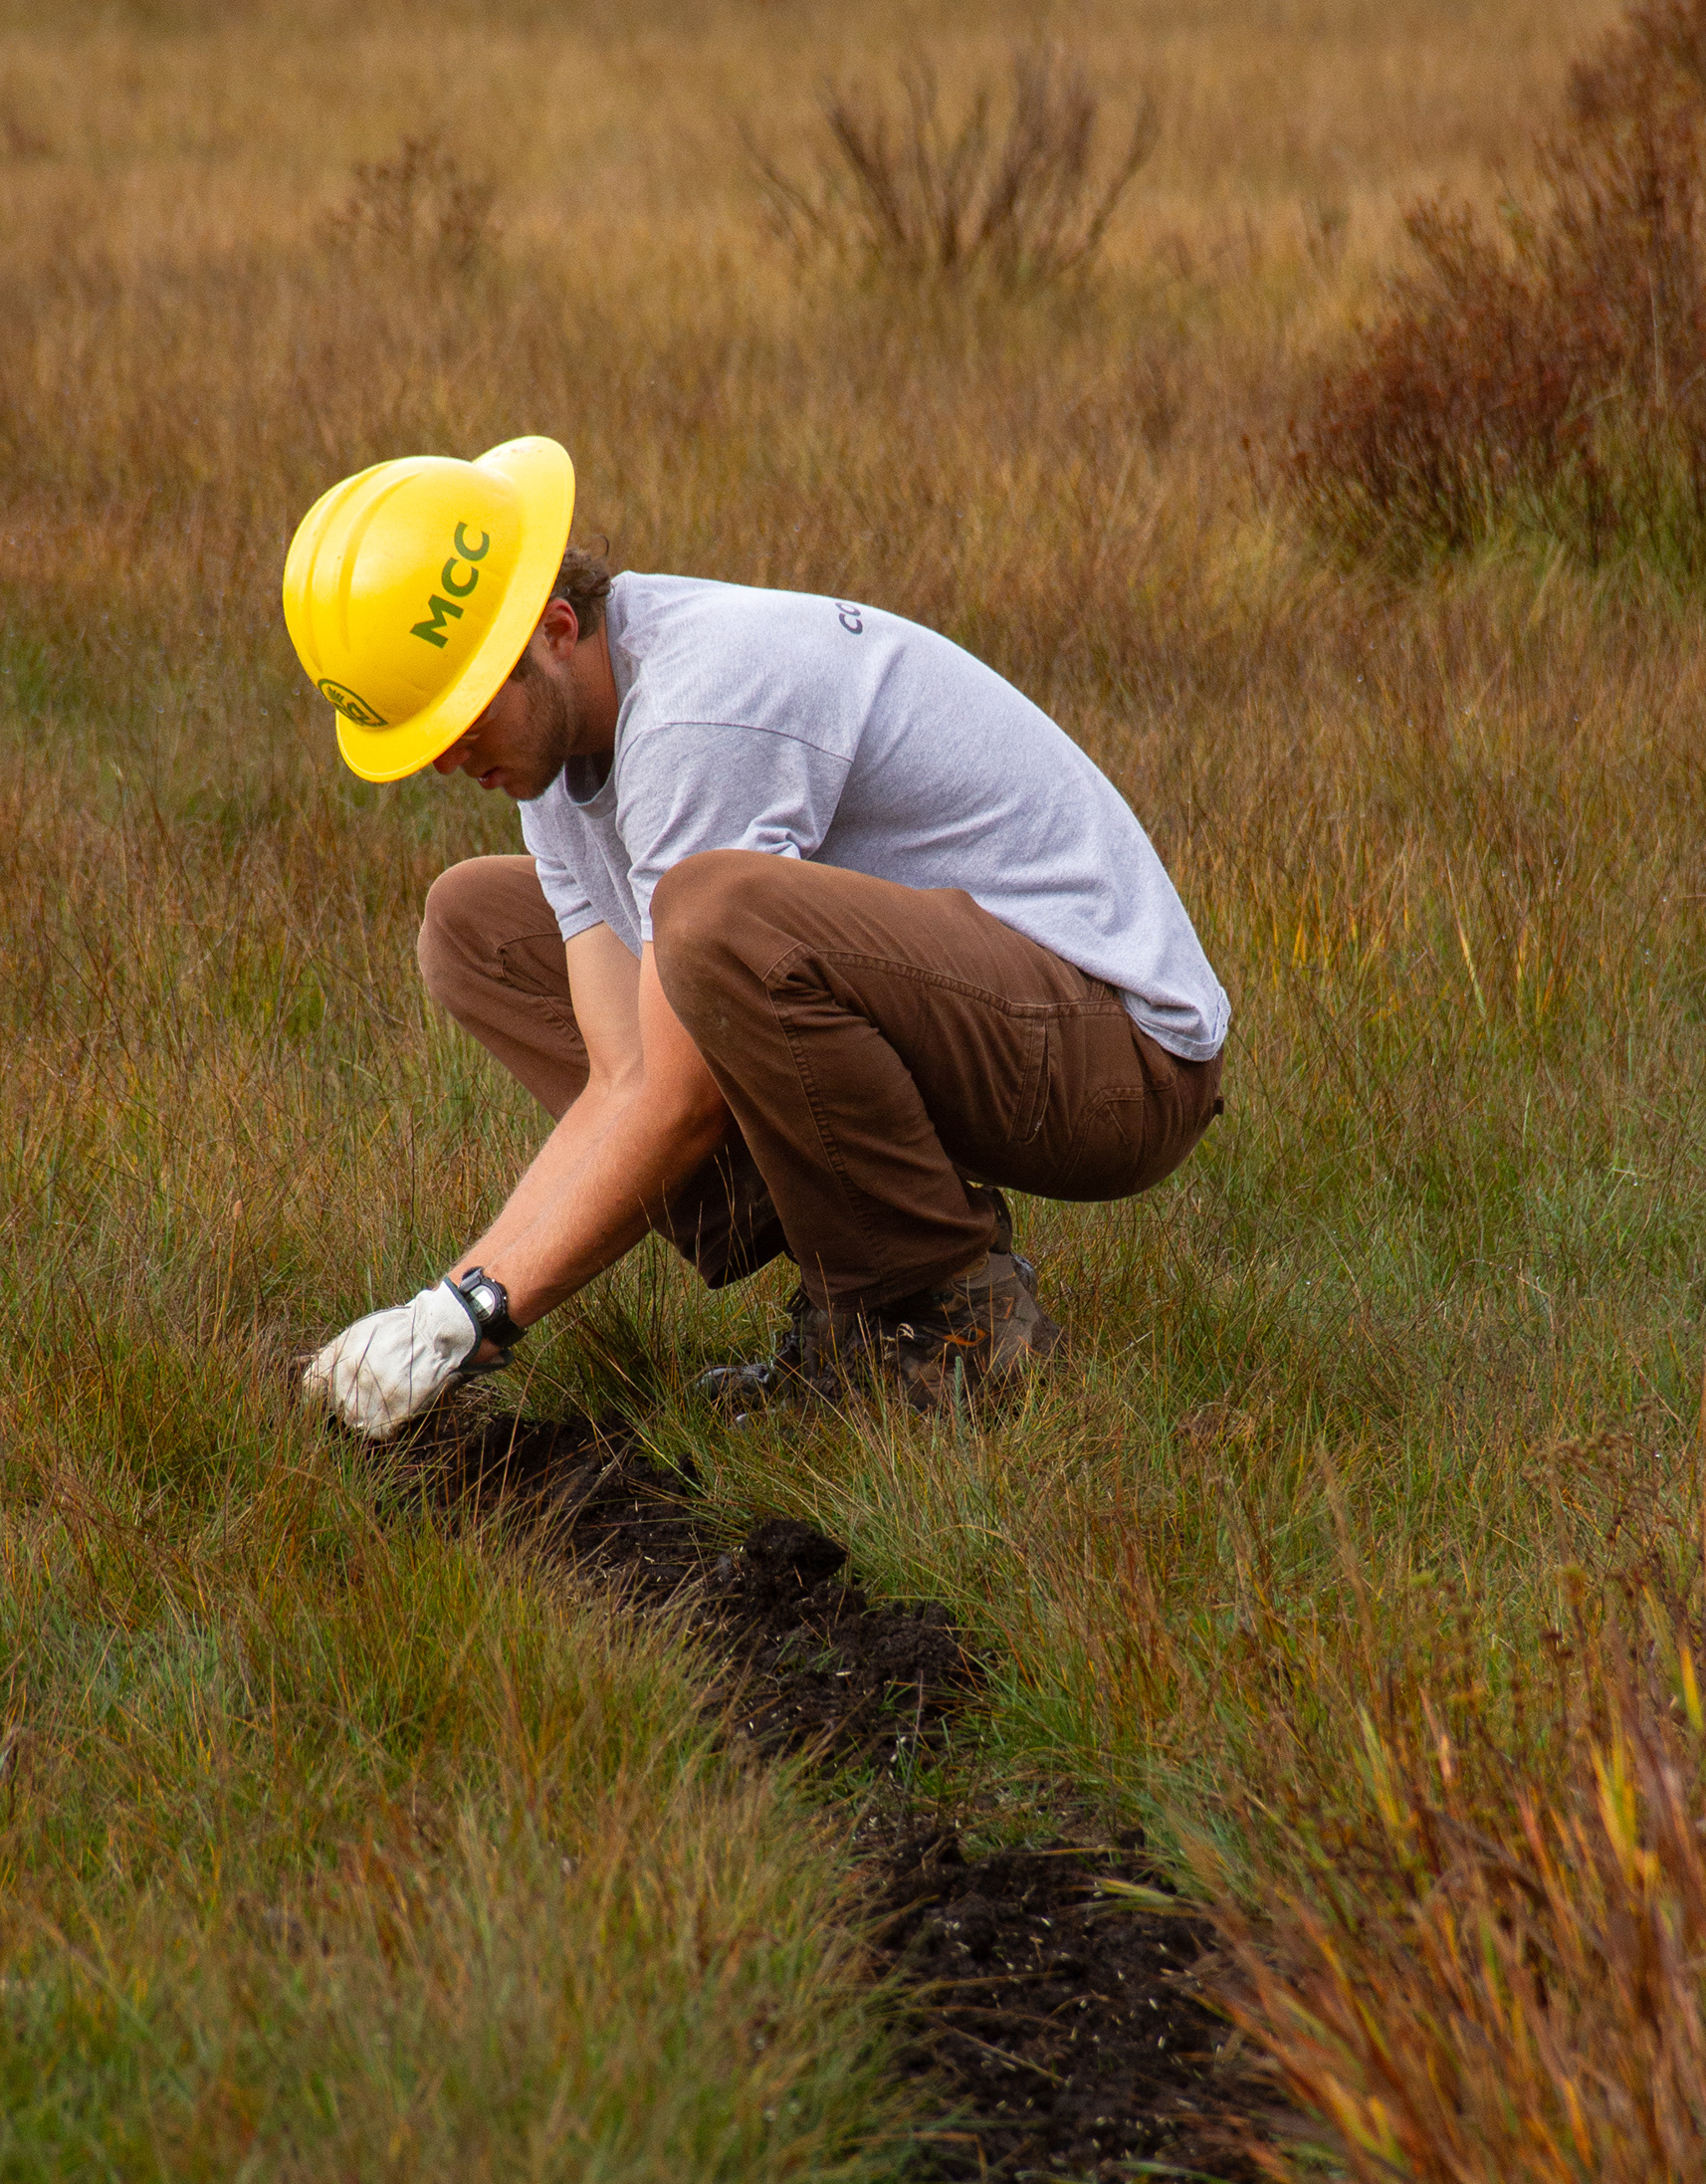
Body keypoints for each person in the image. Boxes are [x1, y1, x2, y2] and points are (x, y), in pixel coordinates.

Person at [284, 434, 1229, 1434]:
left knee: (712, 920)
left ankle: (950, 1322)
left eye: (465, 714)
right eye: (425, 737)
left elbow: (679, 1103)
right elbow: (626, 1078)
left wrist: (477, 1317)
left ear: (557, 628)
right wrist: (451, 1298)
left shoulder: (700, 713)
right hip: (996, 1025)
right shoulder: (561, 755)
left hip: (1119, 1062)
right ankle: (848, 1300)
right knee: (475, 926)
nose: (448, 759)